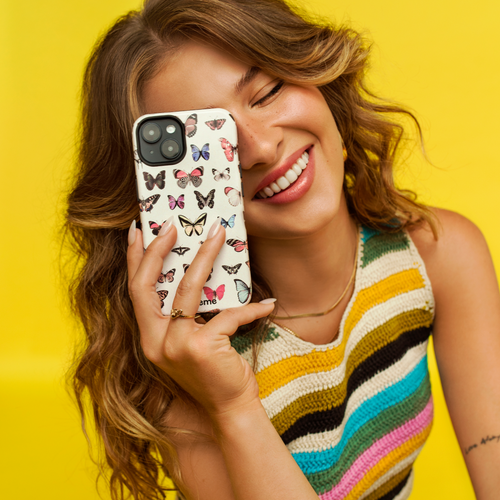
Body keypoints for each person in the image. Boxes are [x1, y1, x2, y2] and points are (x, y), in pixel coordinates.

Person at [64, 0, 500, 499]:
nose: (260, 148)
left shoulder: (440, 256)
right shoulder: (194, 361)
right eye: (213, 139)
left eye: (268, 92)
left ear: (317, 75)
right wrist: (233, 407)